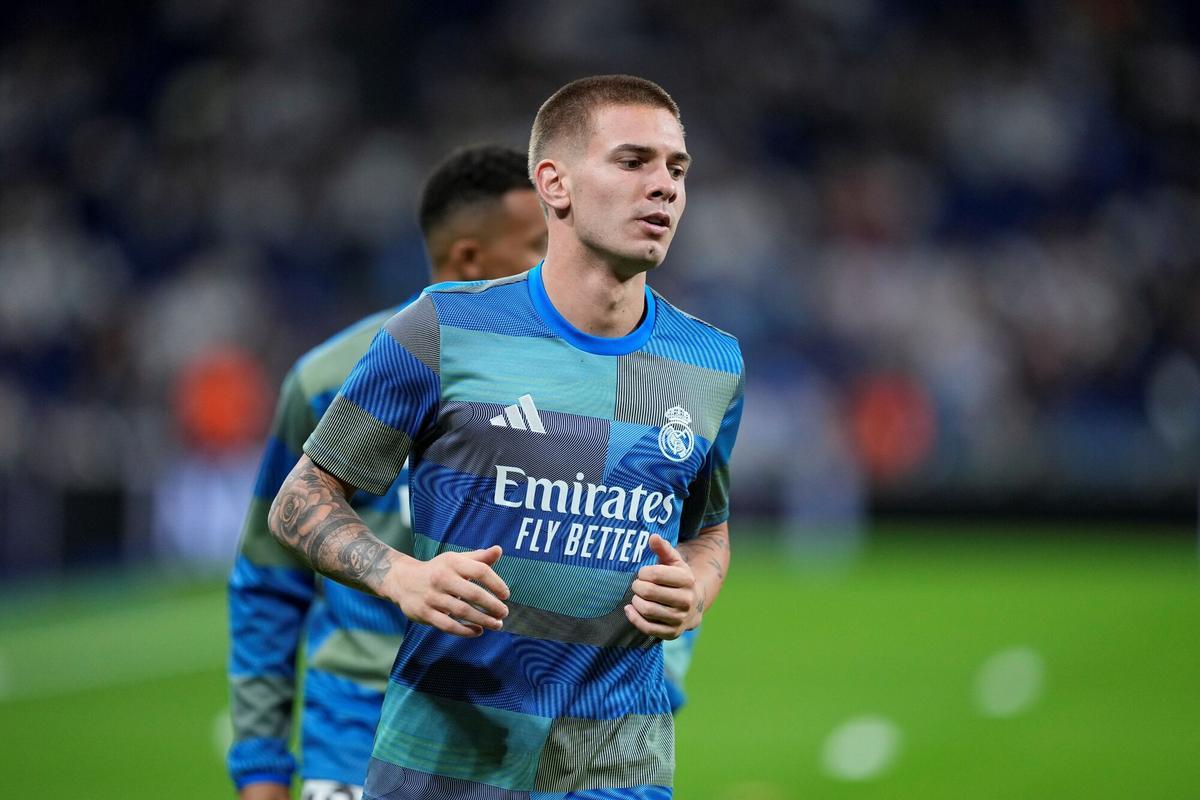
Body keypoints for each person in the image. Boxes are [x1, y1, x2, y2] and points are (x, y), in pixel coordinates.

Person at [268, 75, 744, 799]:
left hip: (619, 766)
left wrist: (697, 587)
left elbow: (709, 531)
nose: (665, 187)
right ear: (553, 182)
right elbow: (300, 498)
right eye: (632, 161)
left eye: (677, 169)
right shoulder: (442, 329)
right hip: (446, 761)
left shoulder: (711, 364)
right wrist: (401, 576)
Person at [227, 145, 548, 800]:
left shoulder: (571, 388)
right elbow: (268, 579)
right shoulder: (328, 380)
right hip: (359, 742)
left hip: (516, 740)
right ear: (468, 260)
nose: (563, 268)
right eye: (541, 246)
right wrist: (261, 766)